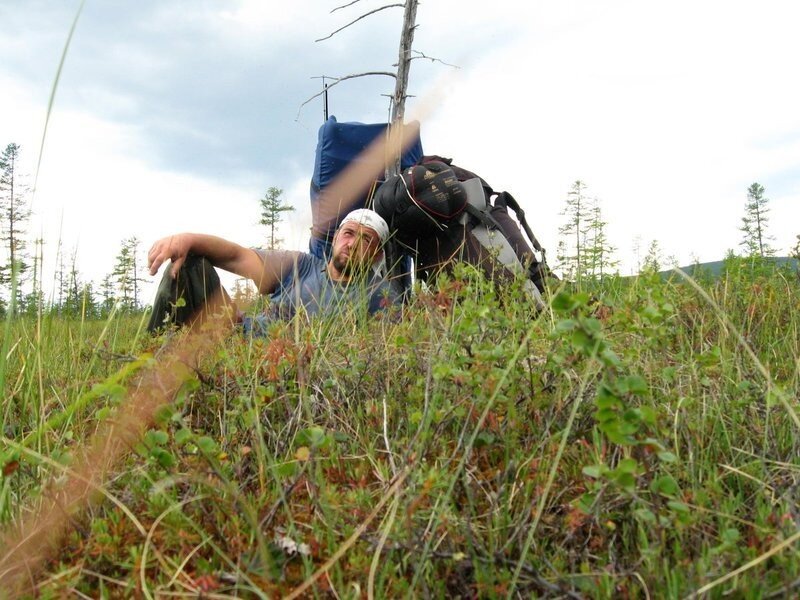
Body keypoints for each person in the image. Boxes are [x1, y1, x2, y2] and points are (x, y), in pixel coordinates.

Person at [146, 209, 397, 333]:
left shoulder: (378, 295)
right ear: (335, 239)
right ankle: (148, 363)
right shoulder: (301, 265)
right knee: (190, 263)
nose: (352, 244)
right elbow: (236, 256)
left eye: (366, 240)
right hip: (234, 334)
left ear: (377, 255)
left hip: (279, 365)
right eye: (348, 233)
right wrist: (187, 239)